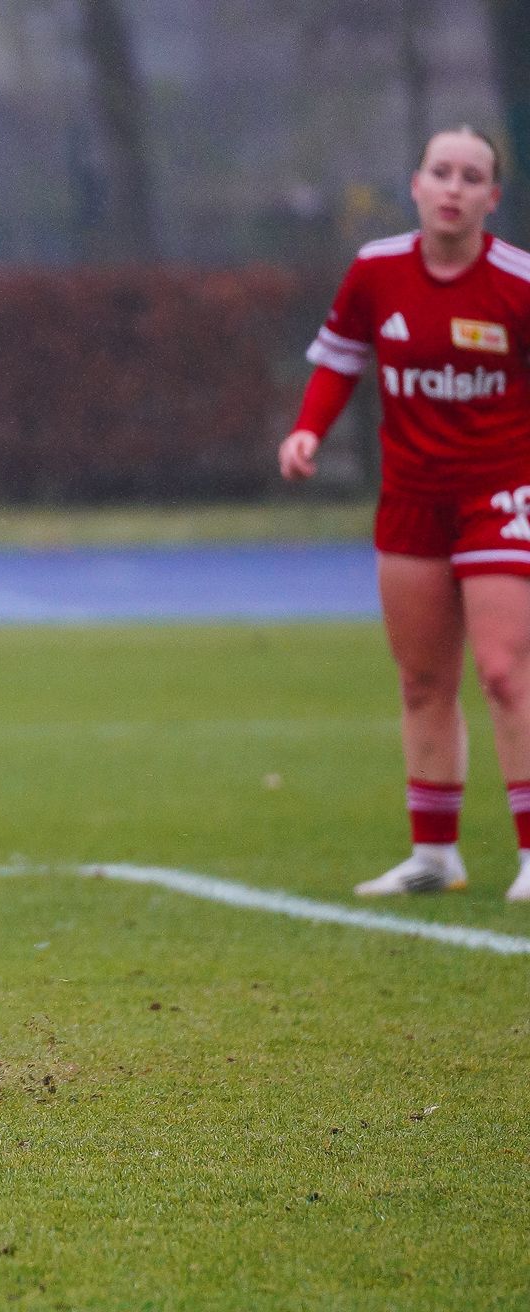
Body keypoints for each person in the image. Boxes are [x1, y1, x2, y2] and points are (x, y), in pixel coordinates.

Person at [280, 125, 530, 903]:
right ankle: (434, 855)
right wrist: (307, 430)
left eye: (472, 176)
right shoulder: (376, 271)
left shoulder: (519, 284)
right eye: (441, 171)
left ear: (494, 197)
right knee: (423, 679)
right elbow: (340, 357)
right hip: (412, 501)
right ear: (416, 184)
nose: (454, 188)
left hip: (501, 494)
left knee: (502, 669)